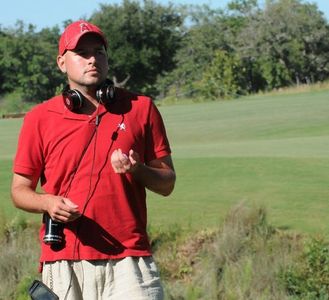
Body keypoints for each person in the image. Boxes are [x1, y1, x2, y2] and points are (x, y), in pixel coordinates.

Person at [11, 20, 176, 300]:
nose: (92, 60)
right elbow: (19, 190)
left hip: (130, 259)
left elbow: (167, 183)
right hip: (63, 259)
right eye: (82, 53)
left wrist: (137, 170)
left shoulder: (141, 108)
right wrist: (48, 202)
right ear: (62, 63)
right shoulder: (39, 118)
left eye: (99, 52)